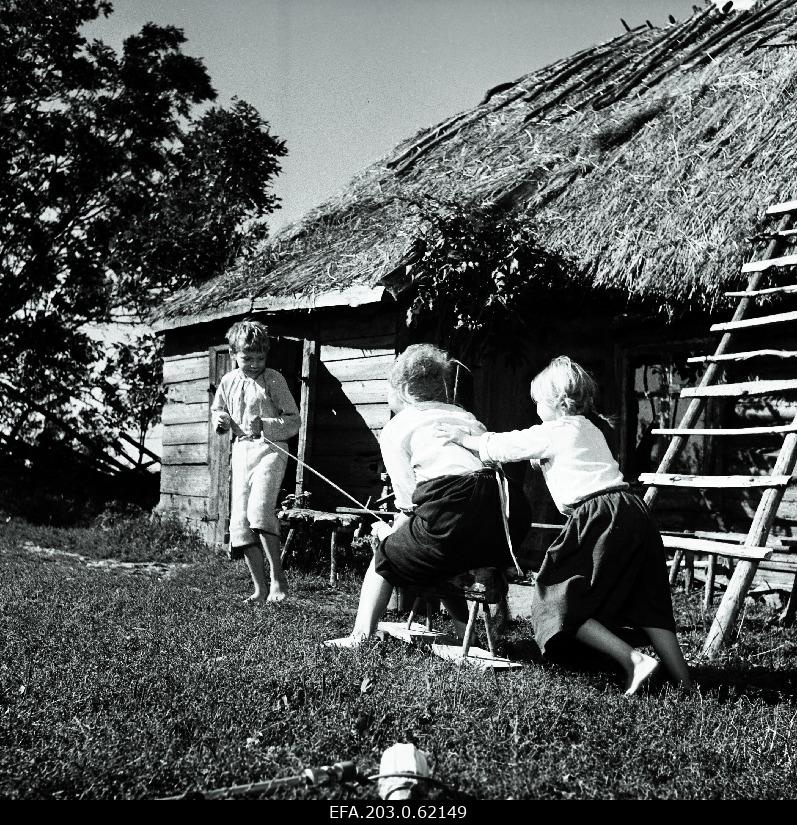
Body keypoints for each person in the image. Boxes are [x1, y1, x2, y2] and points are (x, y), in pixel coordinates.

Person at [439, 355, 692, 695]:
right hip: (633, 510)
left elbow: (499, 446)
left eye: (538, 403)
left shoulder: (552, 431)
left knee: (557, 596)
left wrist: (463, 439)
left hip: (597, 516)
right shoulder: (591, 428)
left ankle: (634, 660)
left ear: (556, 403)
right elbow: (568, 455)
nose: (537, 410)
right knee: (649, 599)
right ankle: (685, 683)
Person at [324, 344, 515, 648]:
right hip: (497, 518)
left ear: (403, 390)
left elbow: (407, 502)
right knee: (439, 556)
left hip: (450, 507)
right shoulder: (466, 417)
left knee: (386, 556)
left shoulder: (397, 427)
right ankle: (466, 631)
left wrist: (390, 537)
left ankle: (360, 635)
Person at [211, 320, 300, 603]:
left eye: (260, 358)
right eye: (247, 358)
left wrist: (265, 424)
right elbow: (219, 411)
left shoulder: (274, 379)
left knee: (260, 512)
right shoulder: (227, 381)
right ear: (234, 353)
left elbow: (293, 420)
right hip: (242, 452)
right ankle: (260, 589)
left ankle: (278, 580)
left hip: (271, 450)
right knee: (240, 523)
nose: (254, 364)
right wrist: (221, 421)